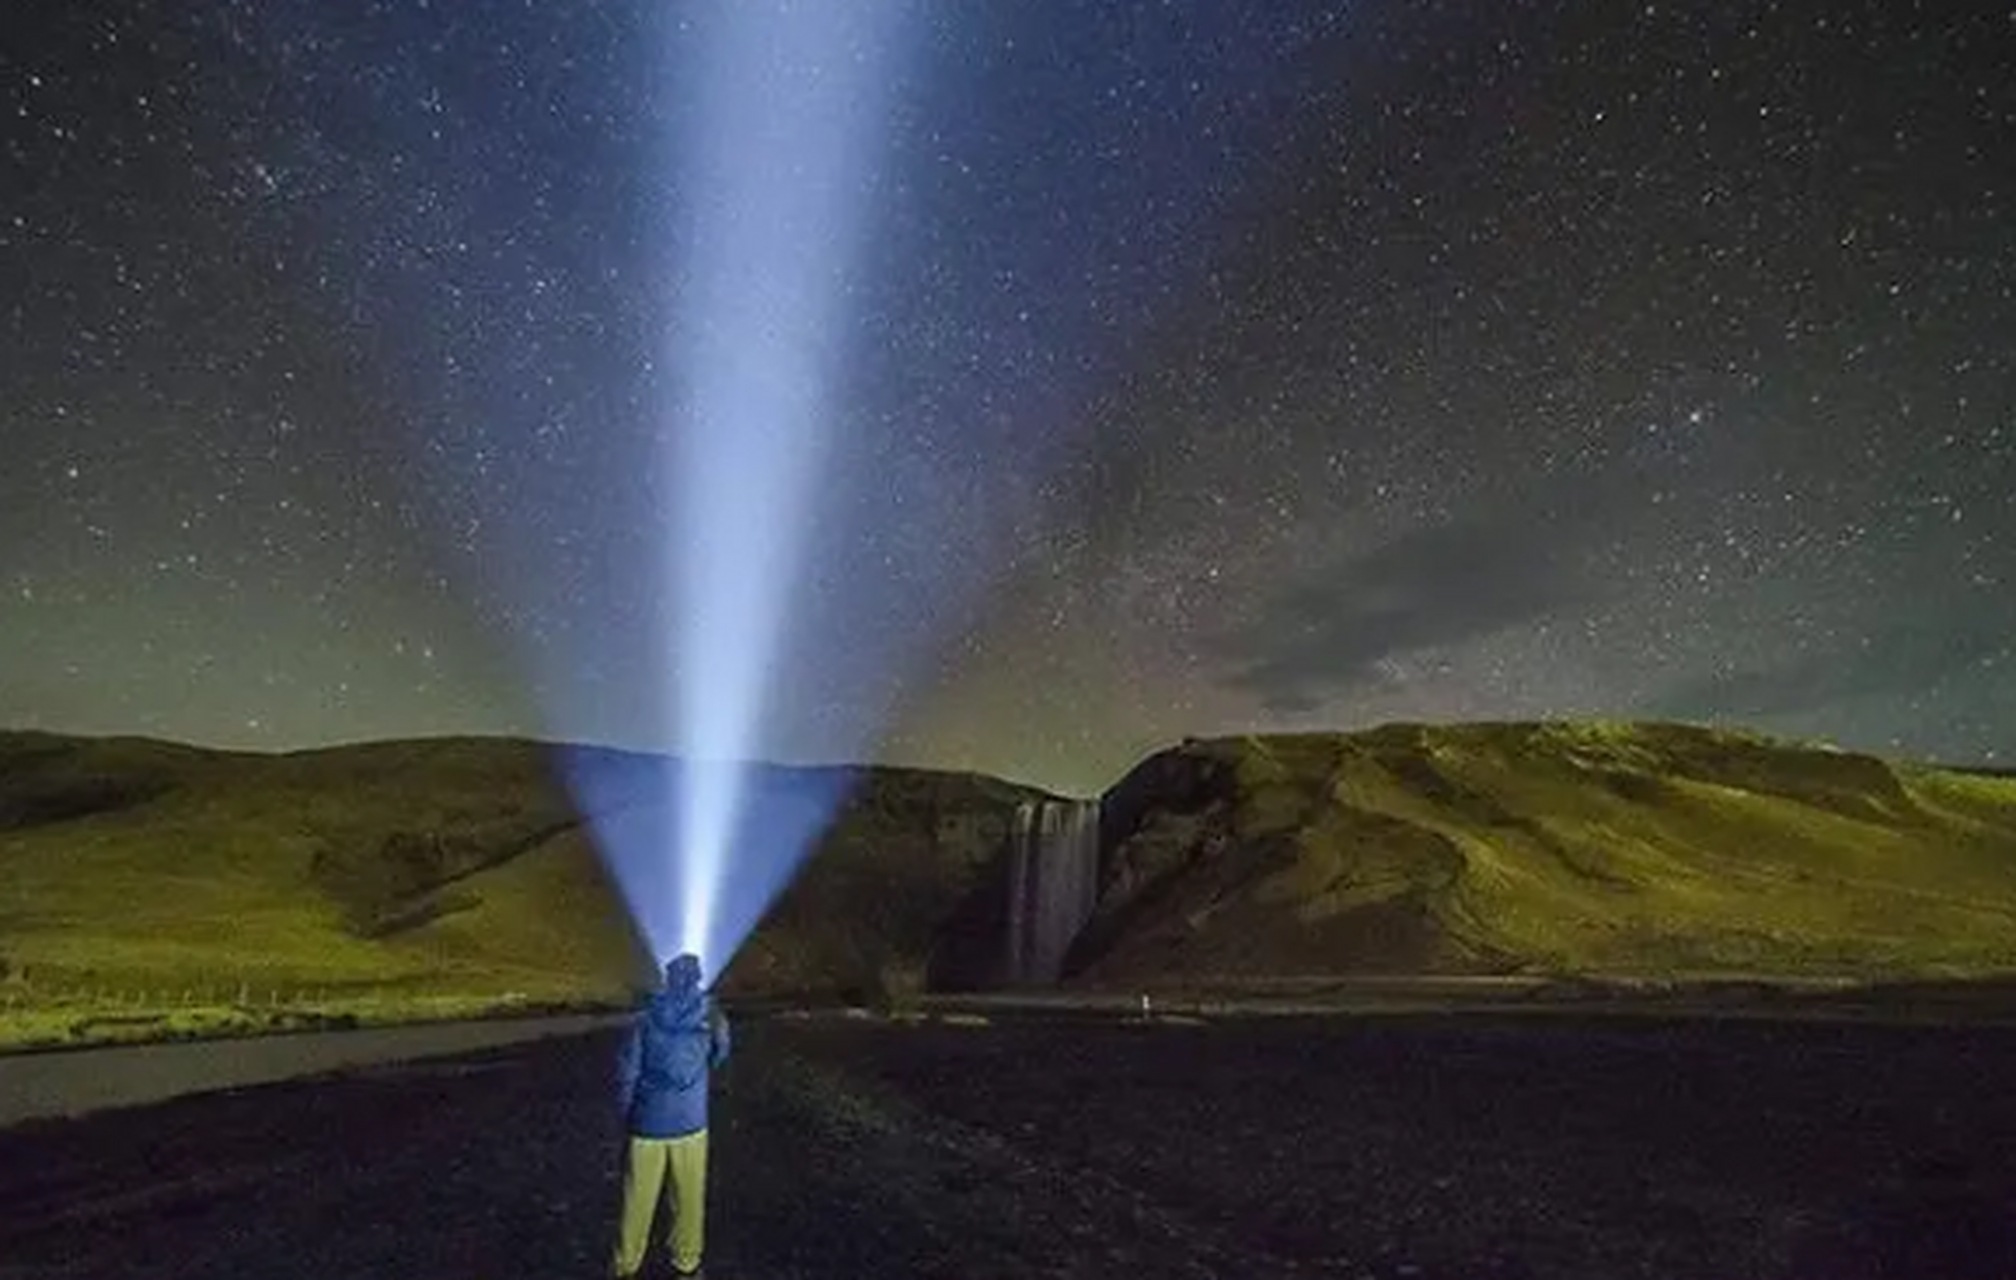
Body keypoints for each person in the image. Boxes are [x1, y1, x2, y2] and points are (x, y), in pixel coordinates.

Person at [612, 952, 731, 1279]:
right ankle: (687, 1263)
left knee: (637, 1201)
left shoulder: (644, 1018)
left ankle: (626, 1265)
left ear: (666, 978)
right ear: (697, 978)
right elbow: (721, 1051)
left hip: (648, 1123)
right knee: (689, 1198)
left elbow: (627, 1073)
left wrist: (628, 1115)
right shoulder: (711, 1014)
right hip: (692, 1121)